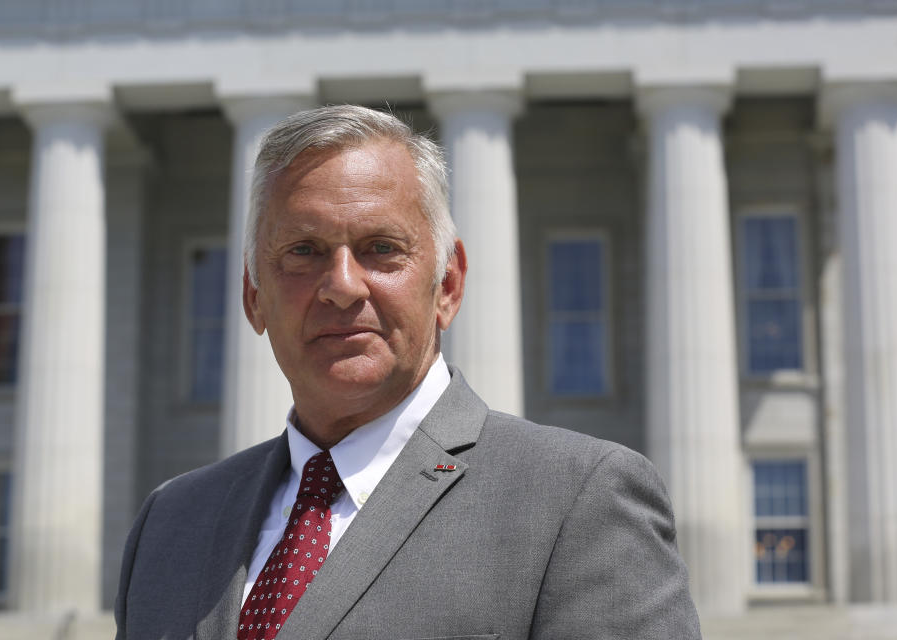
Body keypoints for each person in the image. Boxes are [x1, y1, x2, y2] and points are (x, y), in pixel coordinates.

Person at [114, 104, 701, 640]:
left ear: (447, 284)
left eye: (381, 248)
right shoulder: (171, 524)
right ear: (253, 297)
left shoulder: (578, 500)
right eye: (303, 251)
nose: (342, 286)